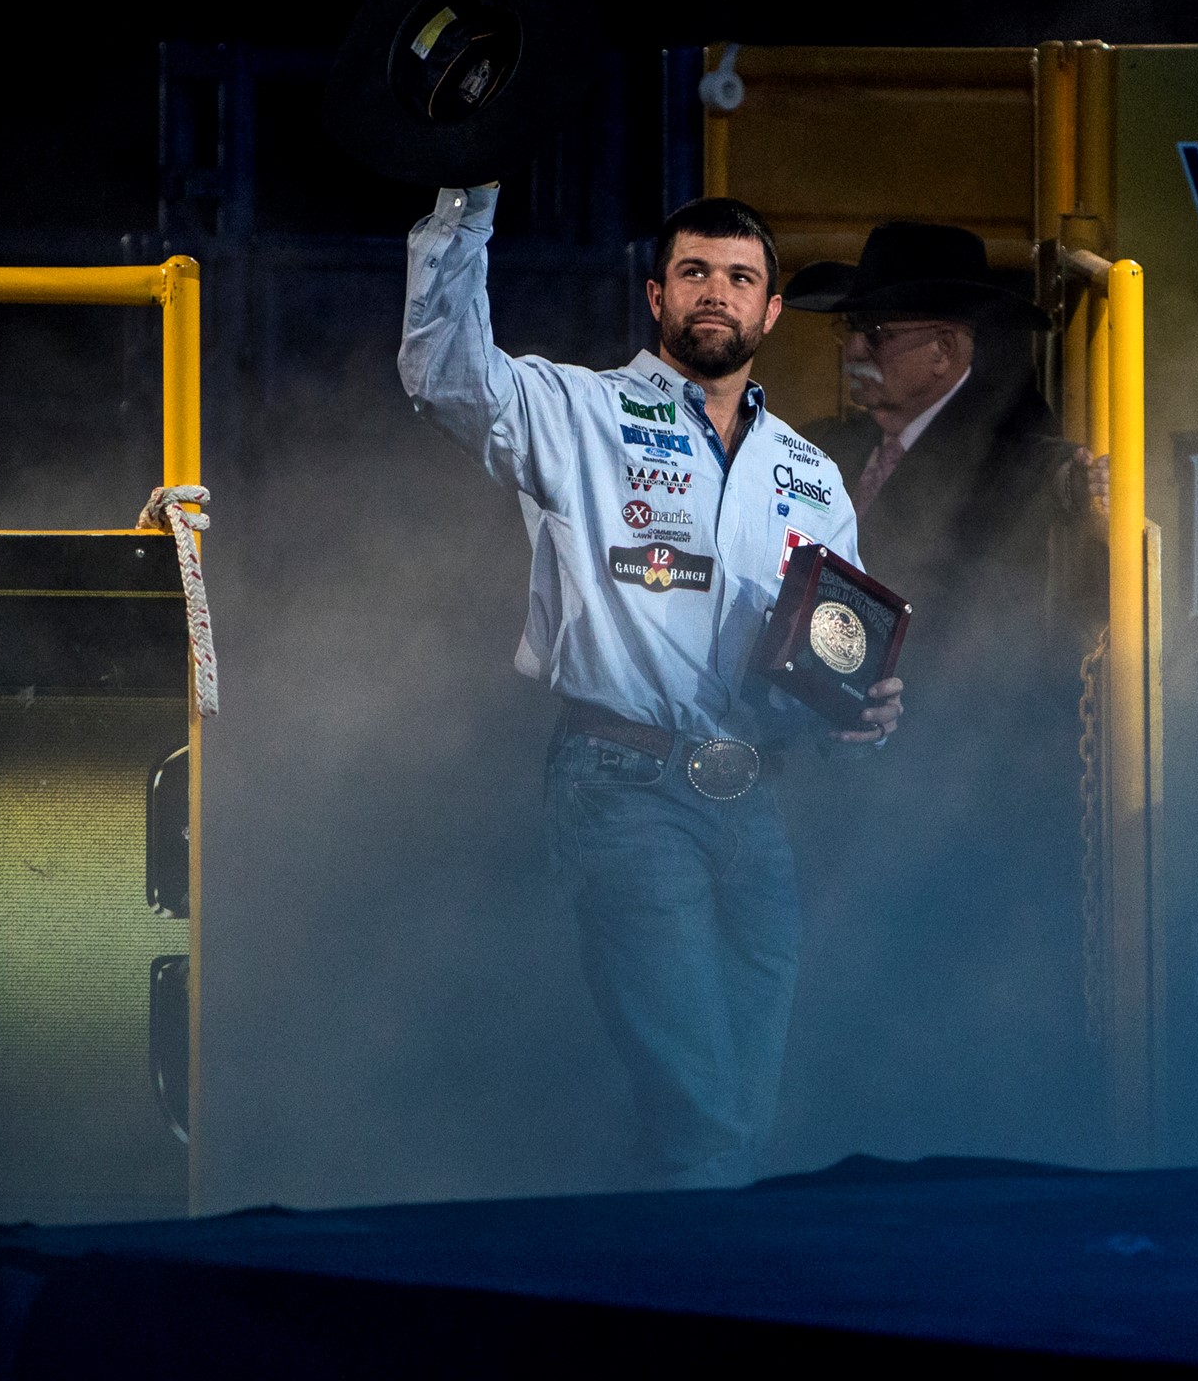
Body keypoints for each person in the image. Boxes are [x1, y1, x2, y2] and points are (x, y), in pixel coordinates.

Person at [399, 185, 903, 1188]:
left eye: (741, 278)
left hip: (751, 800)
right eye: (695, 273)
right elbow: (446, 375)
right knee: (706, 1109)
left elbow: (830, 661)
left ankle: (670, 1286)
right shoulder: (579, 411)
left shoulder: (809, 474)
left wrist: (862, 714)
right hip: (621, 784)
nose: (717, 292)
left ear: (769, 314)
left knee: (740, 1110)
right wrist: (469, 201)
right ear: (656, 296)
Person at [781, 222, 1107, 1155]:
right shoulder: (831, 452)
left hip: (968, 804)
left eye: (875, 333)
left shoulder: (1030, 467)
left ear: (946, 349)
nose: (852, 350)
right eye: (852, 331)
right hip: (859, 799)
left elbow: (1023, 649)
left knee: (946, 1034)